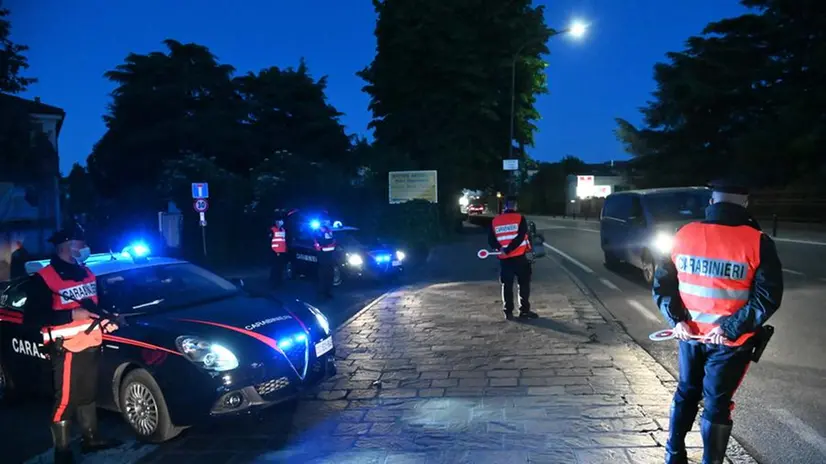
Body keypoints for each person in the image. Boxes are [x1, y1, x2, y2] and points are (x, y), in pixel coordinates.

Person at [652, 179, 783, 464]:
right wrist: (729, 328)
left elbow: (663, 284)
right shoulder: (758, 241)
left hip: (690, 336)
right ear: (745, 204)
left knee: (686, 391)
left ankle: (674, 454)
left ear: (711, 203)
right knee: (716, 403)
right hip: (730, 342)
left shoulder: (683, 233)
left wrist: (678, 321)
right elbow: (767, 297)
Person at [24, 228, 122, 463]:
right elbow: (33, 318)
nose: (84, 248)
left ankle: (91, 439)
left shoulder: (85, 272)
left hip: (91, 343)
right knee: (65, 400)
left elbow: (93, 304)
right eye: (80, 244)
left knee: (88, 395)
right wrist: (70, 317)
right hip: (66, 348)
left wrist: (109, 316)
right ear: (65, 247)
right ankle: (63, 451)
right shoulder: (44, 278)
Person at [488, 197, 539, 320]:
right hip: (520, 257)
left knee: (507, 285)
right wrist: (510, 248)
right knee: (524, 284)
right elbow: (522, 236)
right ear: (515, 206)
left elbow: (491, 240)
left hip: (505, 259)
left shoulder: (495, 221)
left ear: (505, 206)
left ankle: (508, 312)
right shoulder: (520, 218)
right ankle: (524, 311)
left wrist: (501, 248)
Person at [313, 219, 337, 299]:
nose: (328, 223)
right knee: (323, 276)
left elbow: (334, 242)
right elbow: (321, 243)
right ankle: (322, 293)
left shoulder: (330, 231)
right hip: (323, 257)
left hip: (330, 257)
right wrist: (328, 244)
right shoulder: (318, 232)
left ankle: (328, 292)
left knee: (330, 276)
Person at [269, 219, 288, 287]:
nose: (279, 223)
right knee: (275, 268)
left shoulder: (283, 230)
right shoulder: (272, 229)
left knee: (280, 268)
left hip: (282, 251)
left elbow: (284, 241)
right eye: (278, 221)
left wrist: (285, 250)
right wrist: (274, 251)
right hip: (275, 251)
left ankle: (279, 282)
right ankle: (273, 282)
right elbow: (269, 240)